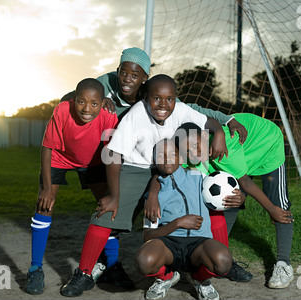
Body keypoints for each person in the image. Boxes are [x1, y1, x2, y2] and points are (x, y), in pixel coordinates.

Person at [60, 47, 248, 287]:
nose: (163, 105)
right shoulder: (136, 115)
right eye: (156, 99)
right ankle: (84, 273)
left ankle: (223, 264)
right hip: (138, 168)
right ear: (146, 97)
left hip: (173, 165)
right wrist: (114, 195)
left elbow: (206, 119)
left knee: (211, 203)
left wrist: (220, 131)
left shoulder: (178, 108)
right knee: (106, 211)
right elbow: (114, 154)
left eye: (169, 99)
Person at [169, 113, 295, 289]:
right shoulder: (189, 155)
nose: (193, 153)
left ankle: (283, 264)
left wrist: (270, 209)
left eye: (196, 146)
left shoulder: (223, 148)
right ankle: (211, 255)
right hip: (240, 157)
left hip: (265, 143)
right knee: (228, 202)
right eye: (187, 150)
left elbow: (246, 182)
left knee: (279, 206)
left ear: (204, 136)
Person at [24, 78, 118, 295]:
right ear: (73, 99)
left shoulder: (108, 115)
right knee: (44, 205)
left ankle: (113, 265)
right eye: (81, 102)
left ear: (102, 102)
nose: (87, 109)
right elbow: (47, 148)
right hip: (60, 157)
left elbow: (112, 154)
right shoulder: (62, 110)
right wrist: (47, 189)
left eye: (94, 103)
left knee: (107, 207)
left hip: (94, 160)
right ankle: (35, 269)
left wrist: (114, 192)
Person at [135, 138, 232, 300]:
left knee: (223, 261)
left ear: (180, 158)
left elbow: (224, 187)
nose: (167, 160)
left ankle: (200, 279)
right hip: (168, 246)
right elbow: (147, 236)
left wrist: (239, 197)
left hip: (199, 244)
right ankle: (166, 277)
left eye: (173, 154)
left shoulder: (198, 176)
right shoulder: (153, 196)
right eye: (161, 156)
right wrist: (177, 223)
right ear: (154, 161)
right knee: (143, 262)